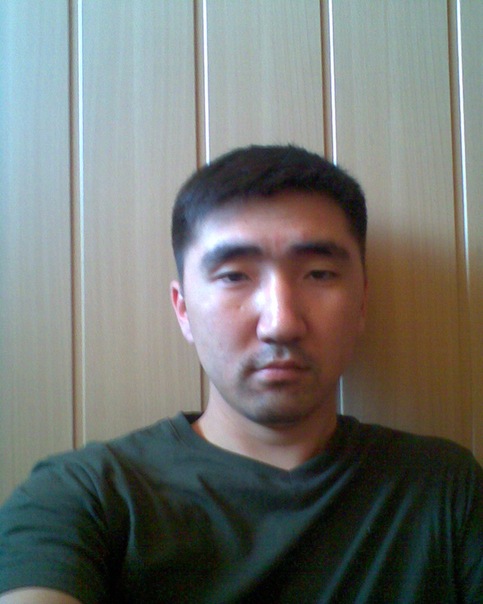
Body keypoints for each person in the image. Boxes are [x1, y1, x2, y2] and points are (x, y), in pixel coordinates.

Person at [0, 145, 481, 603]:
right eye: (234, 276)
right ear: (183, 309)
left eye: (318, 274)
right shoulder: (84, 496)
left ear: (361, 304)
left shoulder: (445, 489)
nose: (281, 324)